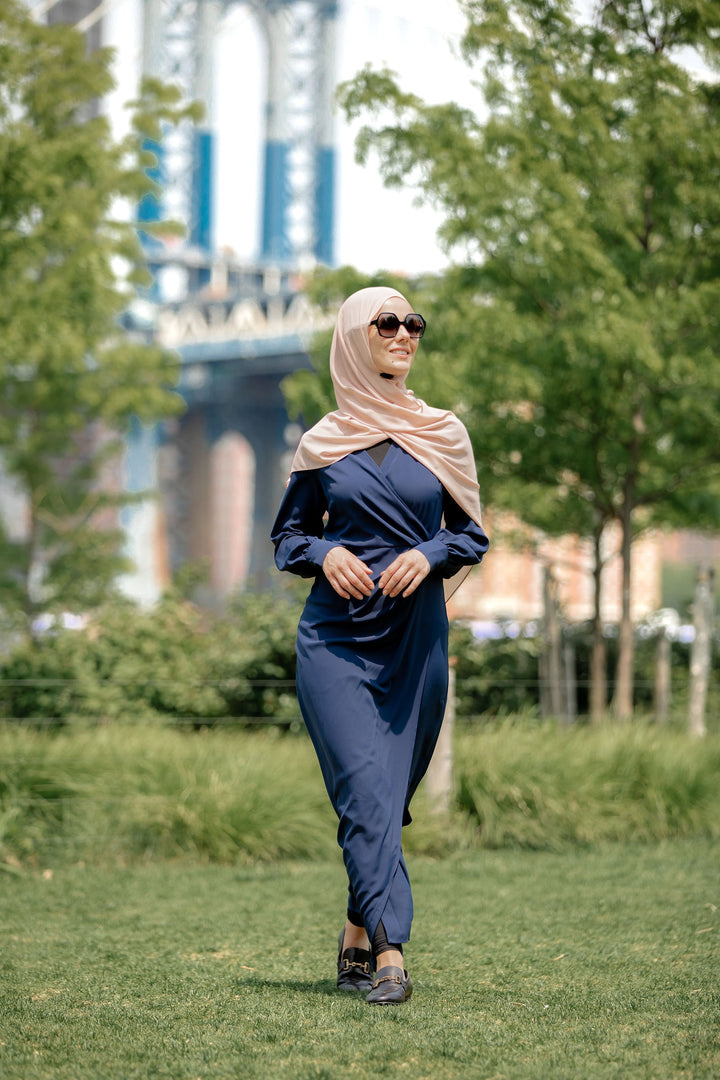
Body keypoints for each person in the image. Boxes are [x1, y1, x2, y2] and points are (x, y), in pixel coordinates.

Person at [271, 286, 488, 1005]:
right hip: (334, 642)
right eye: (386, 322)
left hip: (415, 645)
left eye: (413, 323)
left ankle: (354, 926)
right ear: (353, 338)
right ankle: (391, 947)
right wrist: (324, 551)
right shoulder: (323, 443)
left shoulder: (444, 434)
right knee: (365, 792)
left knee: (385, 799)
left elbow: (470, 534)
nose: (404, 333)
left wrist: (428, 555)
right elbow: (288, 536)